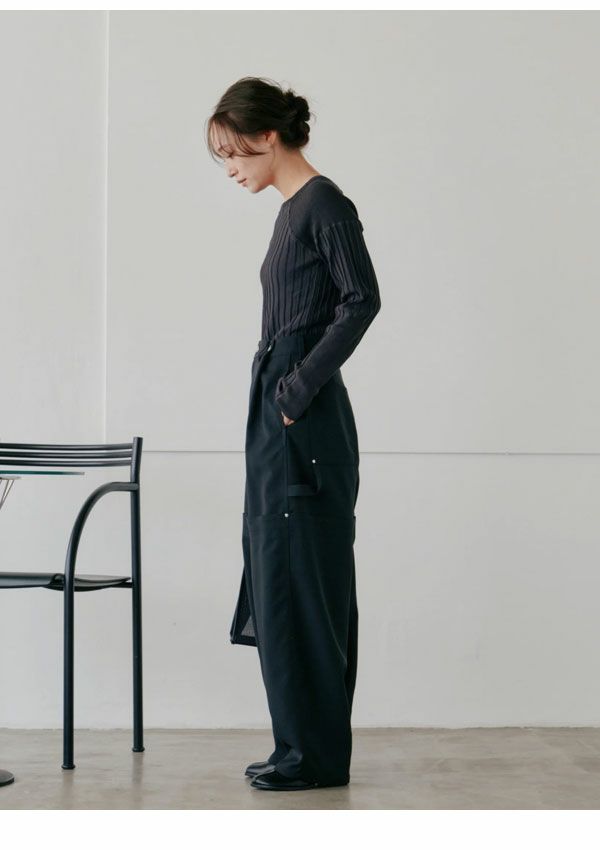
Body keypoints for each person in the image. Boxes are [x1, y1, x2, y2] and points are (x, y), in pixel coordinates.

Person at [206, 76, 382, 791]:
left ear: (268, 136)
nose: (229, 168)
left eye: (234, 152)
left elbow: (362, 299)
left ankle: (313, 756)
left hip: (302, 422)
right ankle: (299, 747)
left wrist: (296, 390)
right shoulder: (293, 212)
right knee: (280, 570)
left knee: (304, 578)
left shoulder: (324, 205)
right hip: (282, 412)